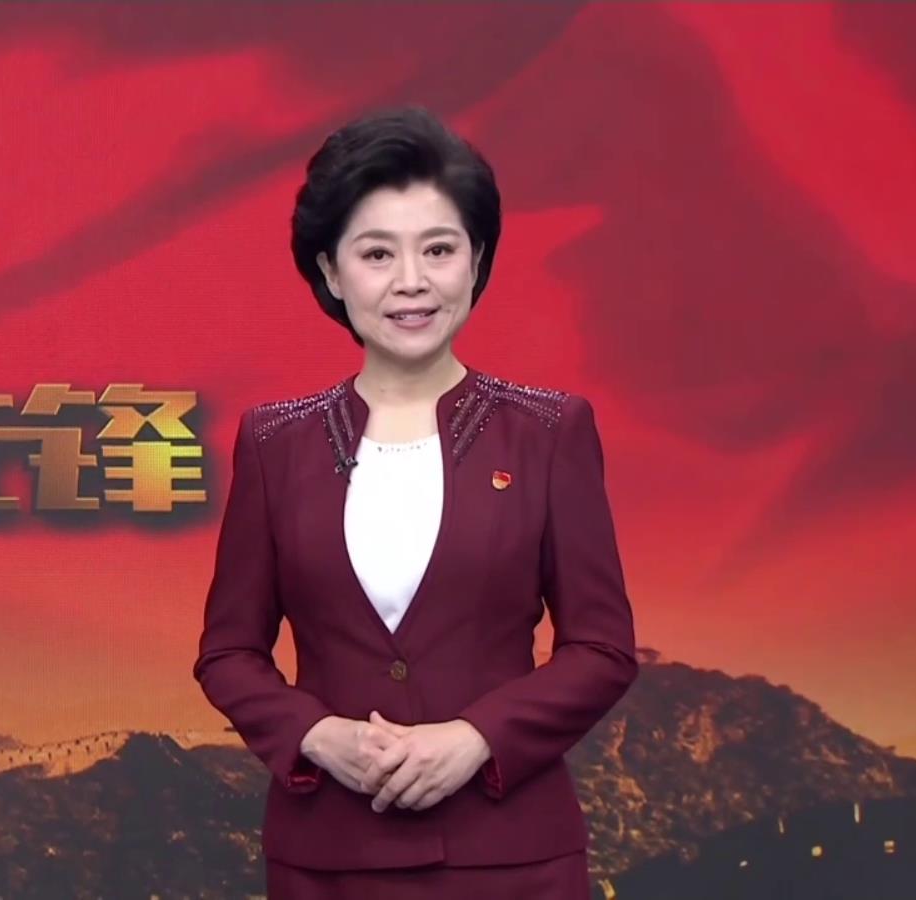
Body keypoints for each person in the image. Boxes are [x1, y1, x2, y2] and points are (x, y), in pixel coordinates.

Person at [192, 106, 638, 899]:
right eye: (377, 253)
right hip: (328, 860)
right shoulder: (274, 442)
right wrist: (317, 735)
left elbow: (601, 649)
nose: (412, 281)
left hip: (512, 859)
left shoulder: (549, 431)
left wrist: (477, 738)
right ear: (331, 272)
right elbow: (228, 653)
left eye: (439, 249)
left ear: (477, 259)